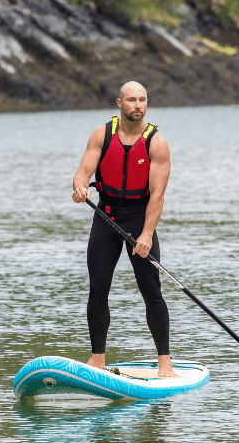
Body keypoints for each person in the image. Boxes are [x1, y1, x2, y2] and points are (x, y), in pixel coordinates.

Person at [71, 81, 176, 377]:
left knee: (151, 290)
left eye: (143, 100)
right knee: (98, 288)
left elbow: (157, 195)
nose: (138, 105)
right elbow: (82, 173)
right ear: (119, 103)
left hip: (138, 219)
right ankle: (97, 359)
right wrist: (80, 188)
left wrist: (145, 234)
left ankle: (165, 363)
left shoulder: (157, 143)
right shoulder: (101, 135)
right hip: (105, 217)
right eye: (132, 100)